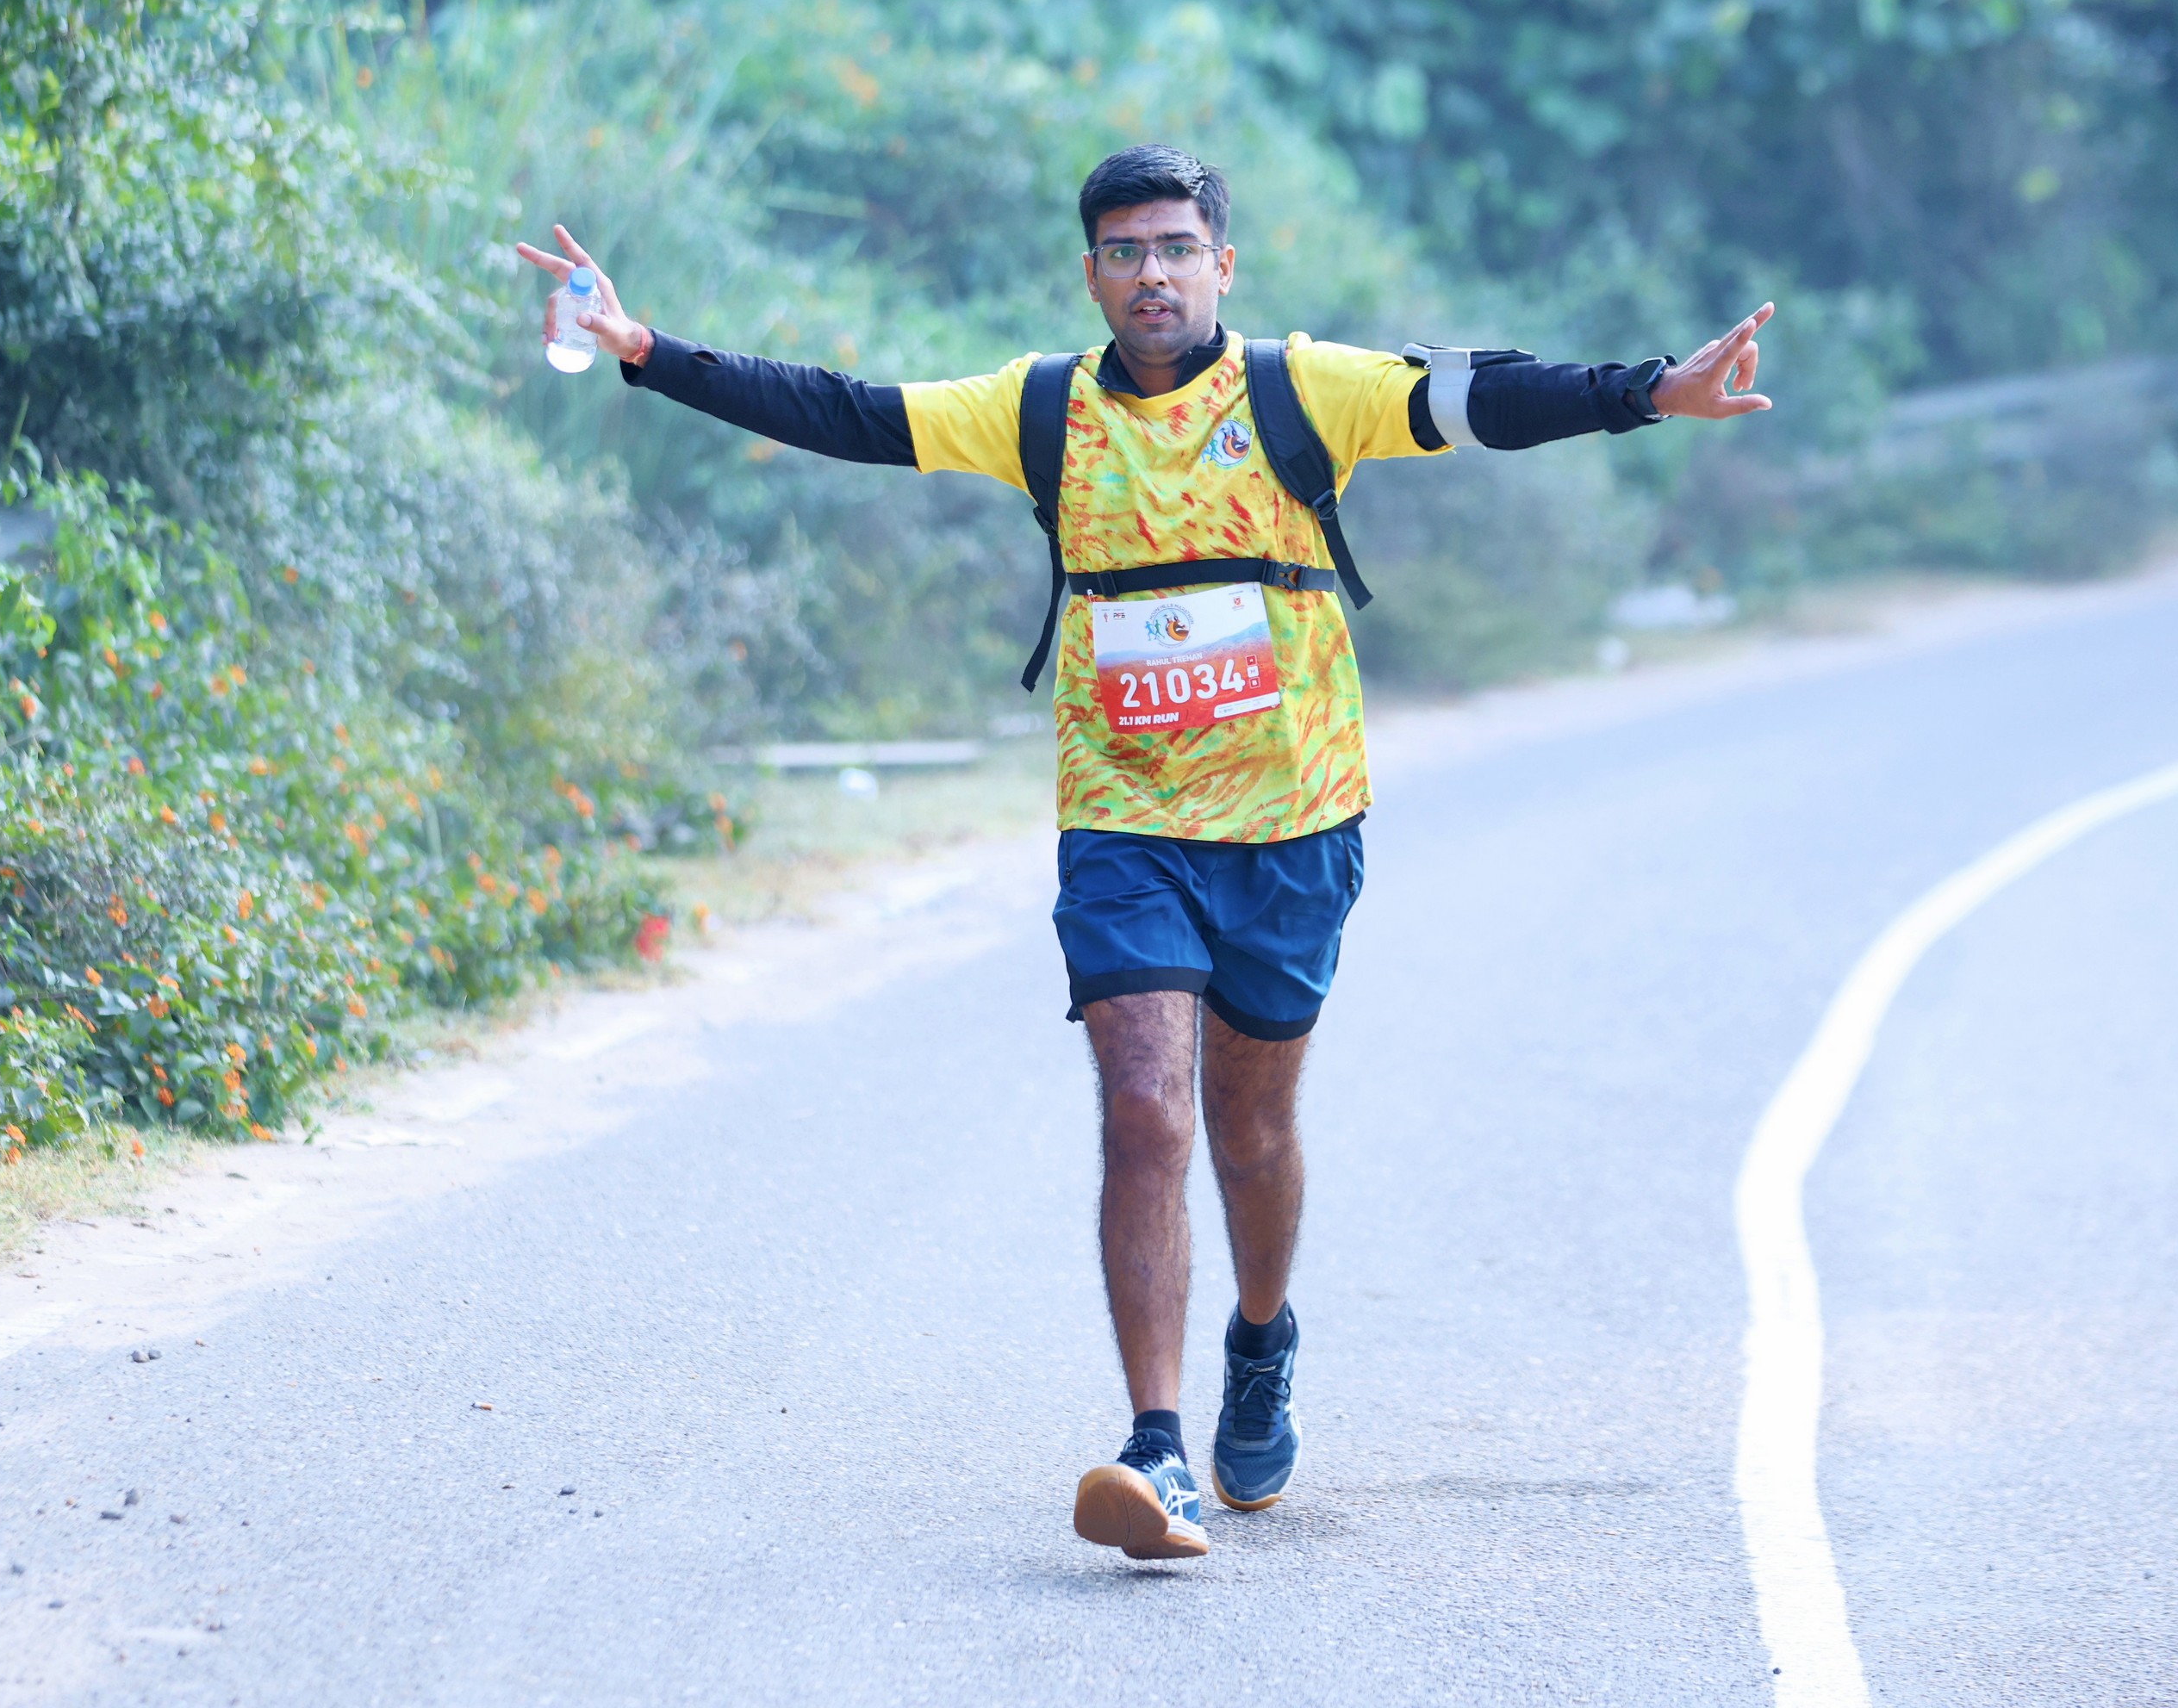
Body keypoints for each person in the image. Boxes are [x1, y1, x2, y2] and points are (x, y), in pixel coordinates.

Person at [519, 145, 1772, 1561]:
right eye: (1126, 252)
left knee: (1251, 1128)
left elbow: (1480, 397)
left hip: (1293, 821)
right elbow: (852, 415)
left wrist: (1651, 391)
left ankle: (1262, 1340)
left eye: (1178, 248)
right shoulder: (1039, 410)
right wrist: (643, 347)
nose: (1153, 274)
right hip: (1124, 818)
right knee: (1144, 1111)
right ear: (1092, 274)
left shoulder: (1304, 391)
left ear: (1222, 264)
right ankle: (1157, 1450)